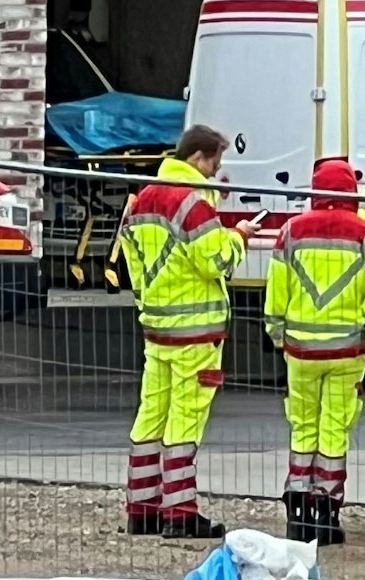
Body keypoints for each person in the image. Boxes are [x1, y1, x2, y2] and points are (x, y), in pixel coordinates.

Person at [120, 125, 257, 539]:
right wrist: (239, 237)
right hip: (196, 332)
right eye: (216, 162)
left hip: (157, 325)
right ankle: (180, 513)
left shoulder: (143, 196)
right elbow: (214, 260)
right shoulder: (192, 202)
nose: (217, 171)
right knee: (185, 421)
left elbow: (132, 258)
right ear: (199, 158)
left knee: (151, 417)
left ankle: (142, 509)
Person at [264, 157, 365, 545]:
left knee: (302, 426)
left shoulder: (291, 231)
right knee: (335, 430)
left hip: (300, 349)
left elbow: (276, 291)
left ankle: (297, 513)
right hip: (347, 350)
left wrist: (278, 334)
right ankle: (327, 516)